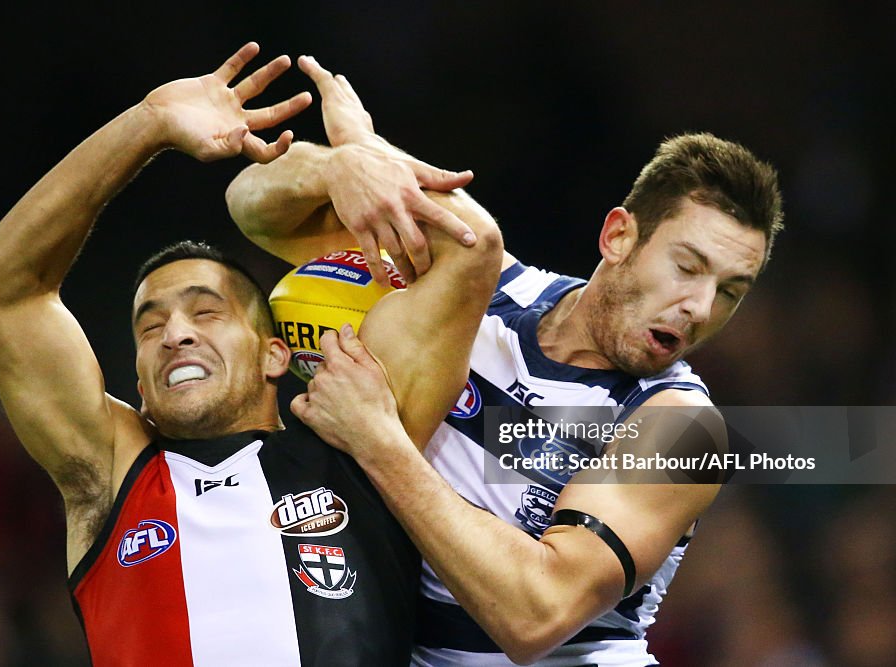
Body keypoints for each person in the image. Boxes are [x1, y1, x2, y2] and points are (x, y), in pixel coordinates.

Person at [228, 56, 783, 666]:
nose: (701, 307)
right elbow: (253, 205)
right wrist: (347, 164)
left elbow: (535, 614)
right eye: (688, 267)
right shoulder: (483, 290)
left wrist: (379, 440)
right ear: (619, 236)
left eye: (731, 290)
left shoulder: (683, 428)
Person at [0, 42, 503, 666]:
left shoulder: (365, 442)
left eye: (206, 311)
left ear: (275, 354)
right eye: (149, 327)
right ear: (138, 383)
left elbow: (470, 249)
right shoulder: (111, 472)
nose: (175, 334)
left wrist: (348, 162)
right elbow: (0, 287)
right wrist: (149, 122)